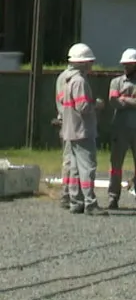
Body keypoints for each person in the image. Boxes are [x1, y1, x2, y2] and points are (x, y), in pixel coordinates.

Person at [60, 43, 106, 215]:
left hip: (71, 130)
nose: (91, 64)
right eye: (89, 61)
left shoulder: (67, 79)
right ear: (83, 62)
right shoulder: (79, 81)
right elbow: (83, 106)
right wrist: (97, 105)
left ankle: (76, 202)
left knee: (75, 169)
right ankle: (90, 203)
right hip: (82, 130)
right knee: (87, 167)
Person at [106, 48, 136, 211]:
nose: (126, 67)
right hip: (120, 129)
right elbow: (113, 101)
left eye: (129, 64)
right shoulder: (116, 82)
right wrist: (133, 101)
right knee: (116, 165)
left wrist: (124, 99)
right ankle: (113, 198)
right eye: (124, 64)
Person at [53, 63, 76, 209]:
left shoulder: (69, 76)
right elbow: (65, 101)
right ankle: (66, 194)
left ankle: (72, 193)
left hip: (73, 123)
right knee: (69, 159)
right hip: (69, 123)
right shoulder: (67, 77)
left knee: (73, 160)